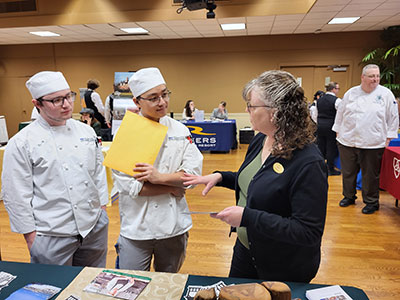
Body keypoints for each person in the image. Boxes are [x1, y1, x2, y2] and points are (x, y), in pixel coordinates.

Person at [183, 70, 328, 283]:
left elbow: (307, 231)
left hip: (282, 263)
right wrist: (221, 177)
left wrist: (247, 217)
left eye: (251, 105)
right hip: (246, 250)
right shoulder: (262, 140)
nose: (246, 110)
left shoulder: (308, 161)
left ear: (276, 112)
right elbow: (257, 180)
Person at [1, 71, 109, 266]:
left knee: (90, 282)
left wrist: (102, 209)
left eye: (69, 96)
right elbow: (15, 194)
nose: (66, 104)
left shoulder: (85, 131)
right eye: (56, 100)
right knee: (54, 288)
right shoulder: (22, 142)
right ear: (37, 104)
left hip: (93, 226)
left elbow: (98, 173)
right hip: (51, 234)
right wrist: (31, 237)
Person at [112, 67, 203, 272]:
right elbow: (129, 187)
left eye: (164, 94)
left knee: (169, 284)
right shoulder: (126, 135)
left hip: (174, 225)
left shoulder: (180, 130)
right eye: (153, 98)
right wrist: (172, 187)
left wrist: (158, 177)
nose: (162, 102)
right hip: (136, 228)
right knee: (132, 284)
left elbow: (192, 175)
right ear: (136, 101)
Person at [333, 64, 399, 214]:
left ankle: (371, 202)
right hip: (348, 140)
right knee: (348, 172)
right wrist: (337, 131)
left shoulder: (386, 94)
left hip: (373, 142)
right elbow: (341, 113)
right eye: (371, 76)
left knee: (370, 175)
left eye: (377, 76)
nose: (375, 79)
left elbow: (393, 117)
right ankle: (349, 196)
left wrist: (389, 136)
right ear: (362, 77)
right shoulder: (351, 93)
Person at [316, 82, 341, 176]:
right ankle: (330, 168)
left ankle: (320, 167)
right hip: (331, 126)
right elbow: (340, 115)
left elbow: (315, 114)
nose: (338, 91)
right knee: (331, 147)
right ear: (333, 89)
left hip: (320, 125)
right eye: (337, 89)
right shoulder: (337, 100)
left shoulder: (319, 100)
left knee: (321, 146)